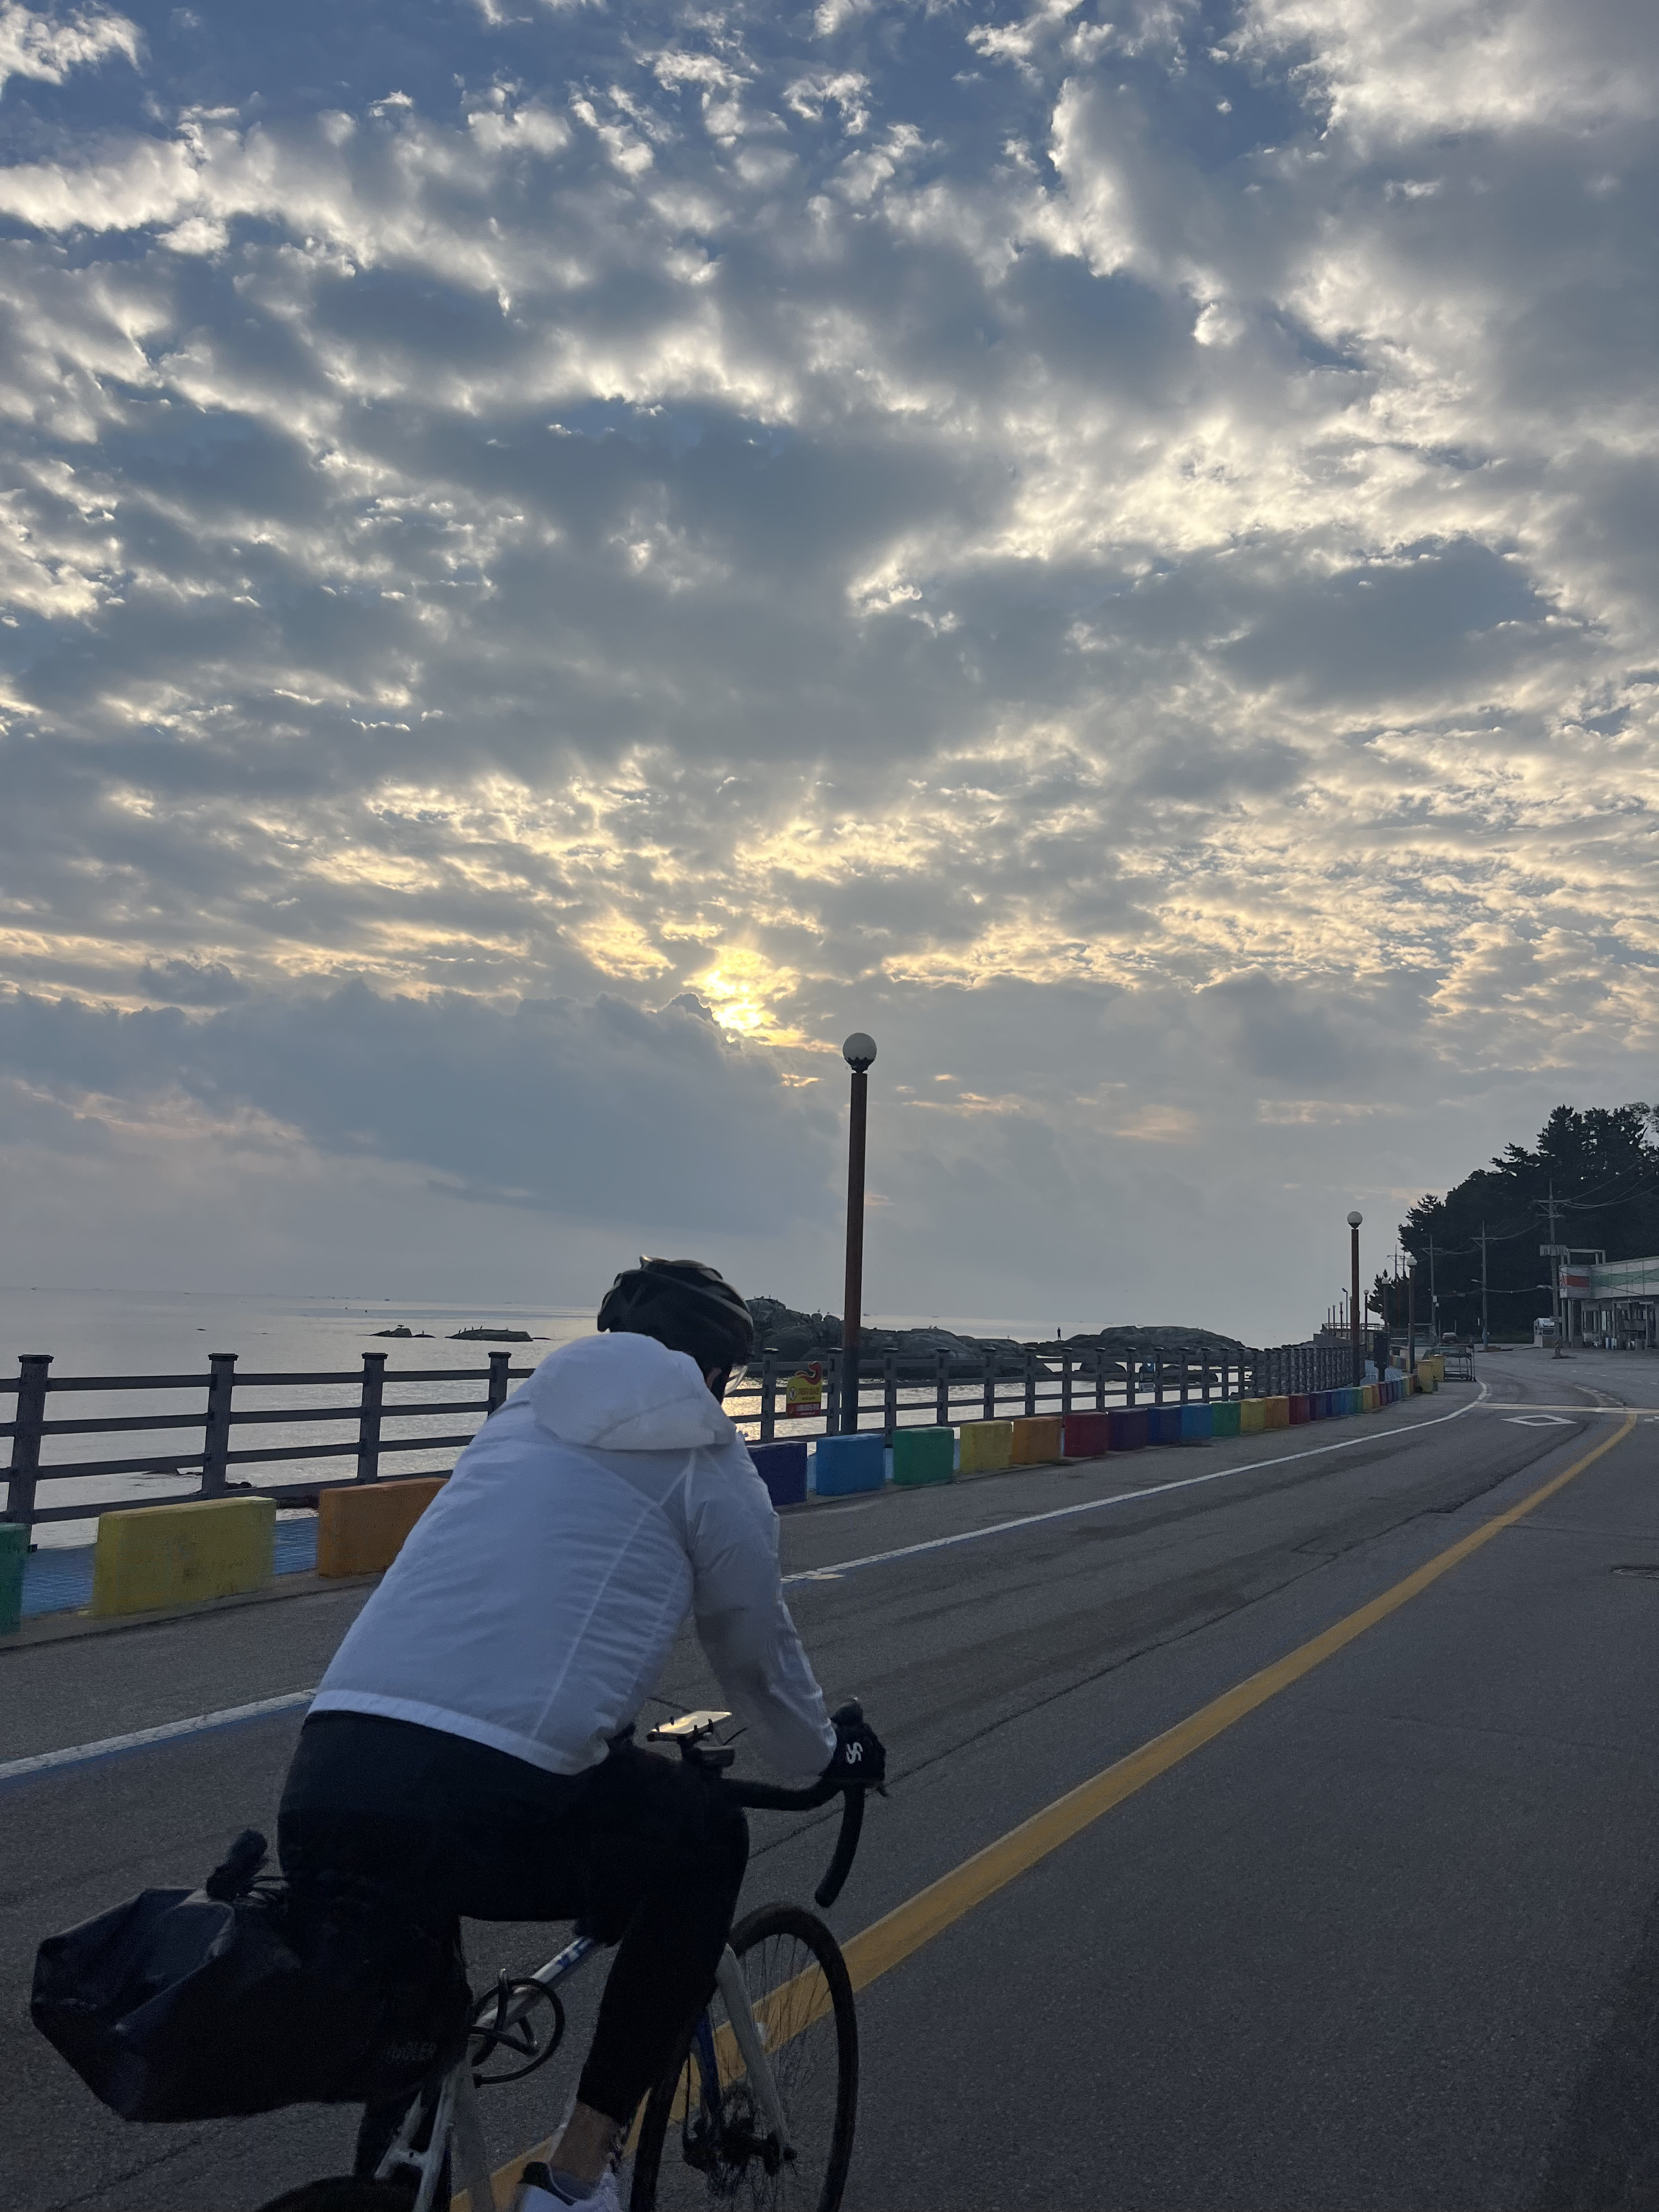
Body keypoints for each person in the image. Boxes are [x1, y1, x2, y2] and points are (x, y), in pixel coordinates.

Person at [278, 1257, 885, 2209]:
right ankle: (576, 2176)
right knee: (703, 1837)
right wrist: (830, 1756)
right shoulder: (708, 1461)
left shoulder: (512, 1427)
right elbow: (757, 1661)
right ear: (717, 1374)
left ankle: (395, 2178)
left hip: (329, 1772)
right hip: (494, 1797)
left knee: (420, 2045)